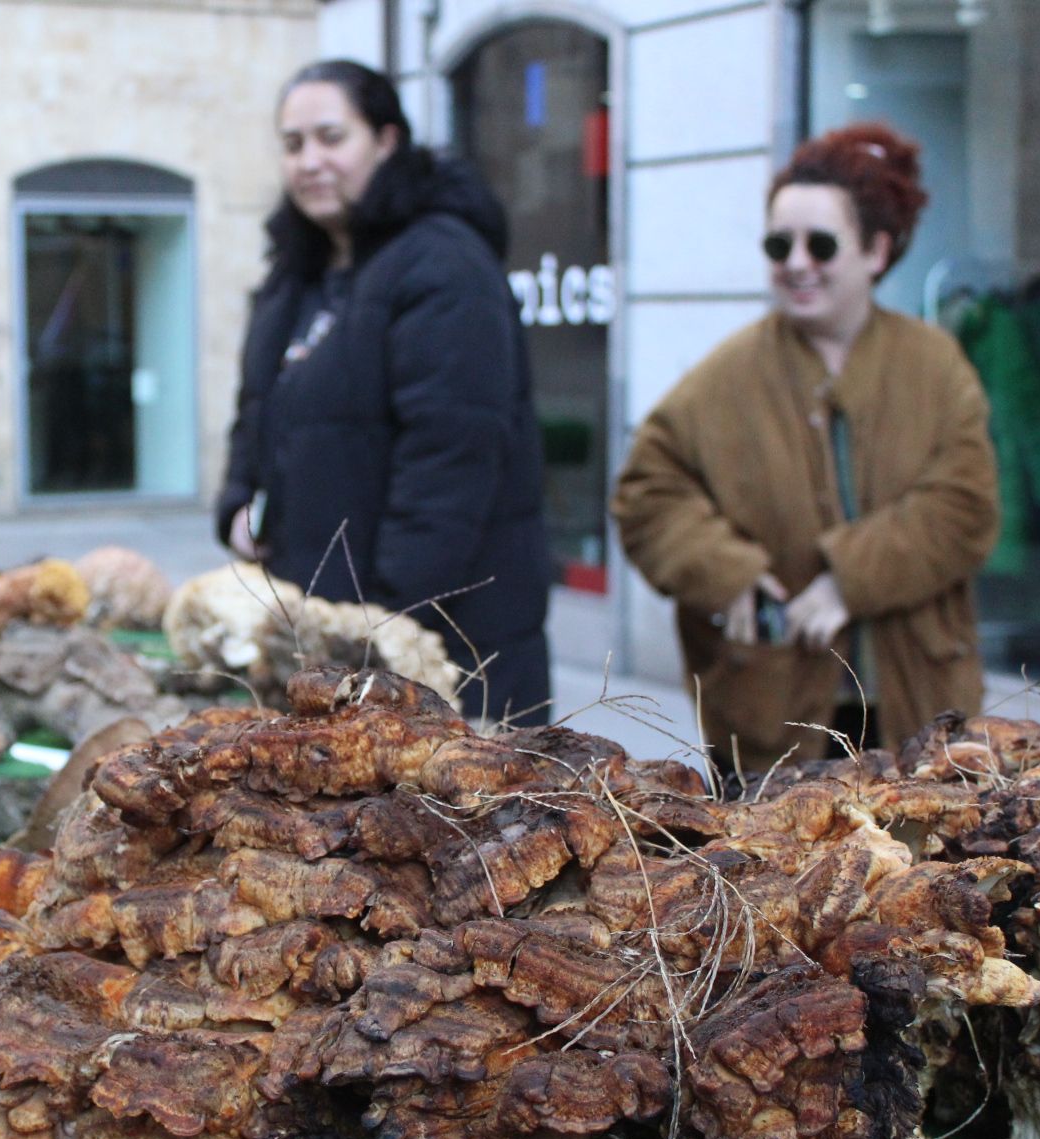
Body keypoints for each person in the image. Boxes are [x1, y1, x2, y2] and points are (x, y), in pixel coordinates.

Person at [611, 123, 999, 779]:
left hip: (917, 704)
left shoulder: (934, 365)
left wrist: (850, 581)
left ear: (876, 250)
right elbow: (648, 495)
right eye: (778, 244)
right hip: (777, 714)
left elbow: (965, 506)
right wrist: (724, 571)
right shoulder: (725, 377)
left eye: (820, 243)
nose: (796, 262)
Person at [216, 59, 551, 726]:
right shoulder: (296, 275)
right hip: (328, 639)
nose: (310, 160)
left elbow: (449, 463)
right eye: (293, 144)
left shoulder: (444, 262)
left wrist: (380, 630)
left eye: (331, 137)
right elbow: (258, 415)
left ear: (387, 140)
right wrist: (237, 505)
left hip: (442, 651)